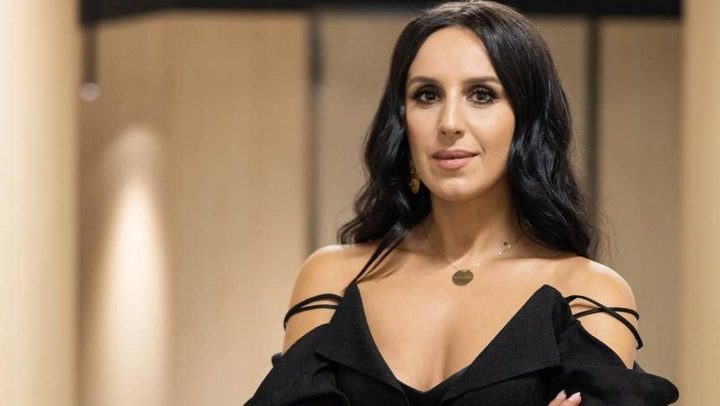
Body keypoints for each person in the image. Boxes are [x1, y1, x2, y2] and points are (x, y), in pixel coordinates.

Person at [245, 1, 680, 404]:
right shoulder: (332, 278)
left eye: (482, 95)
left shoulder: (587, 292)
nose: (449, 122)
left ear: (525, 119)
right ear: (402, 119)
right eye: (427, 95)